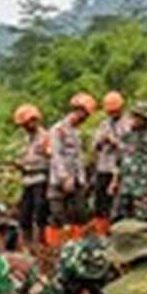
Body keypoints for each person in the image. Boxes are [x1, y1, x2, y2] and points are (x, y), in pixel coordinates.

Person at [46, 93, 96, 245]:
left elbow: (78, 158)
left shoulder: (76, 132)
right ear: (78, 111)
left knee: (80, 213)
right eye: (85, 115)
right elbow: (56, 155)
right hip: (60, 180)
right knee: (58, 214)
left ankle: (77, 246)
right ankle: (56, 248)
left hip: (77, 180)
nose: (85, 119)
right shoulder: (58, 130)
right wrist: (64, 177)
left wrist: (82, 179)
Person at [112, 102, 147, 223]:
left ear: (145, 119)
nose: (134, 120)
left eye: (137, 117)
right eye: (133, 116)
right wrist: (114, 181)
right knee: (120, 217)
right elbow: (120, 160)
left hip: (143, 186)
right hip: (125, 184)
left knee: (142, 219)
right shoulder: (127, 136)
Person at [91, 91, 130, 235]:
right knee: (100, 202)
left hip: (120, 168)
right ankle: (102, 233)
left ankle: (119, 233)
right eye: (110, 111)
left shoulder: (129, 124)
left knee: (119, 203)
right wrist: (102, 140)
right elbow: (94, 145)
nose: (112, 114)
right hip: (104, 167)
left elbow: (130, 148)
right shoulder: (103, 124)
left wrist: (116, 143)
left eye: (115, 111)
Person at [13, 104, 50, 247]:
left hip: (40, 178)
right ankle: (27, 243)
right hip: (27, 180)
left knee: (40, 210)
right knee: (24, 212)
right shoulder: (26, 139)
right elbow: (25, 157)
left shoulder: (45, 137)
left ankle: (41, 241)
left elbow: (50, 157)